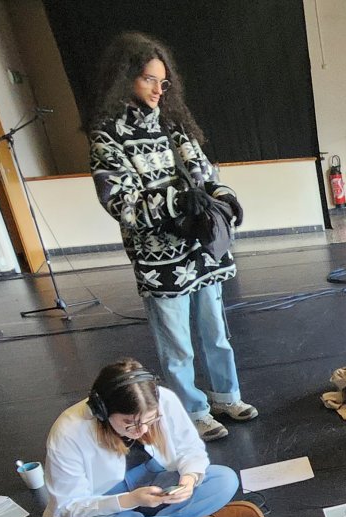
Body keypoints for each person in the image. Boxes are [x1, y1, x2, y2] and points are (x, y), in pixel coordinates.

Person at [86, 32, 256, 442]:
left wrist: (224, 197)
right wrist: (179, 202)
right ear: (124, 77)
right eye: (148, 79)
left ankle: (226, 397)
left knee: (217, 334)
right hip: (159, 261)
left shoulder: (174, 123)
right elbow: (122, 204)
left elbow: (205, 174)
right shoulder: (108, 137)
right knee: (177, 346)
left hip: (203, 251)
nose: (158, 90)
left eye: (163, 82)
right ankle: (192, 411)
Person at [44, 359, 266, 517]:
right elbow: (67, 506)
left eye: (150, 420)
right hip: (102, 502)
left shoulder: (164, 400)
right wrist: (130, 500)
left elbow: (190, 449)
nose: (141, 430)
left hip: (153, 480)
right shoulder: (68, 431)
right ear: (102, 411)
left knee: (224, 480)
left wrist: (189, 479)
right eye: (129, 423)